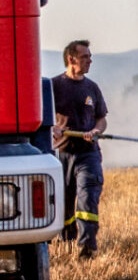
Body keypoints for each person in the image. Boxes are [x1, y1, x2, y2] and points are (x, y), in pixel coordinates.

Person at [52, 40, 108, 260]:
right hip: (62, 154)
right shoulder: (54, 86)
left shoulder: (92, 88)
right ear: (71, 59)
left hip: (88, 154)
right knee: (64, 202)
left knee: (87, 198)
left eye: (90, 56)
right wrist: (53, 128)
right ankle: (66, 240)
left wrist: (95, 130)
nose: (90, 60)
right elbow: (42, 117)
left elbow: (101, 119)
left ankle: (87, 247)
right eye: (85, 57)